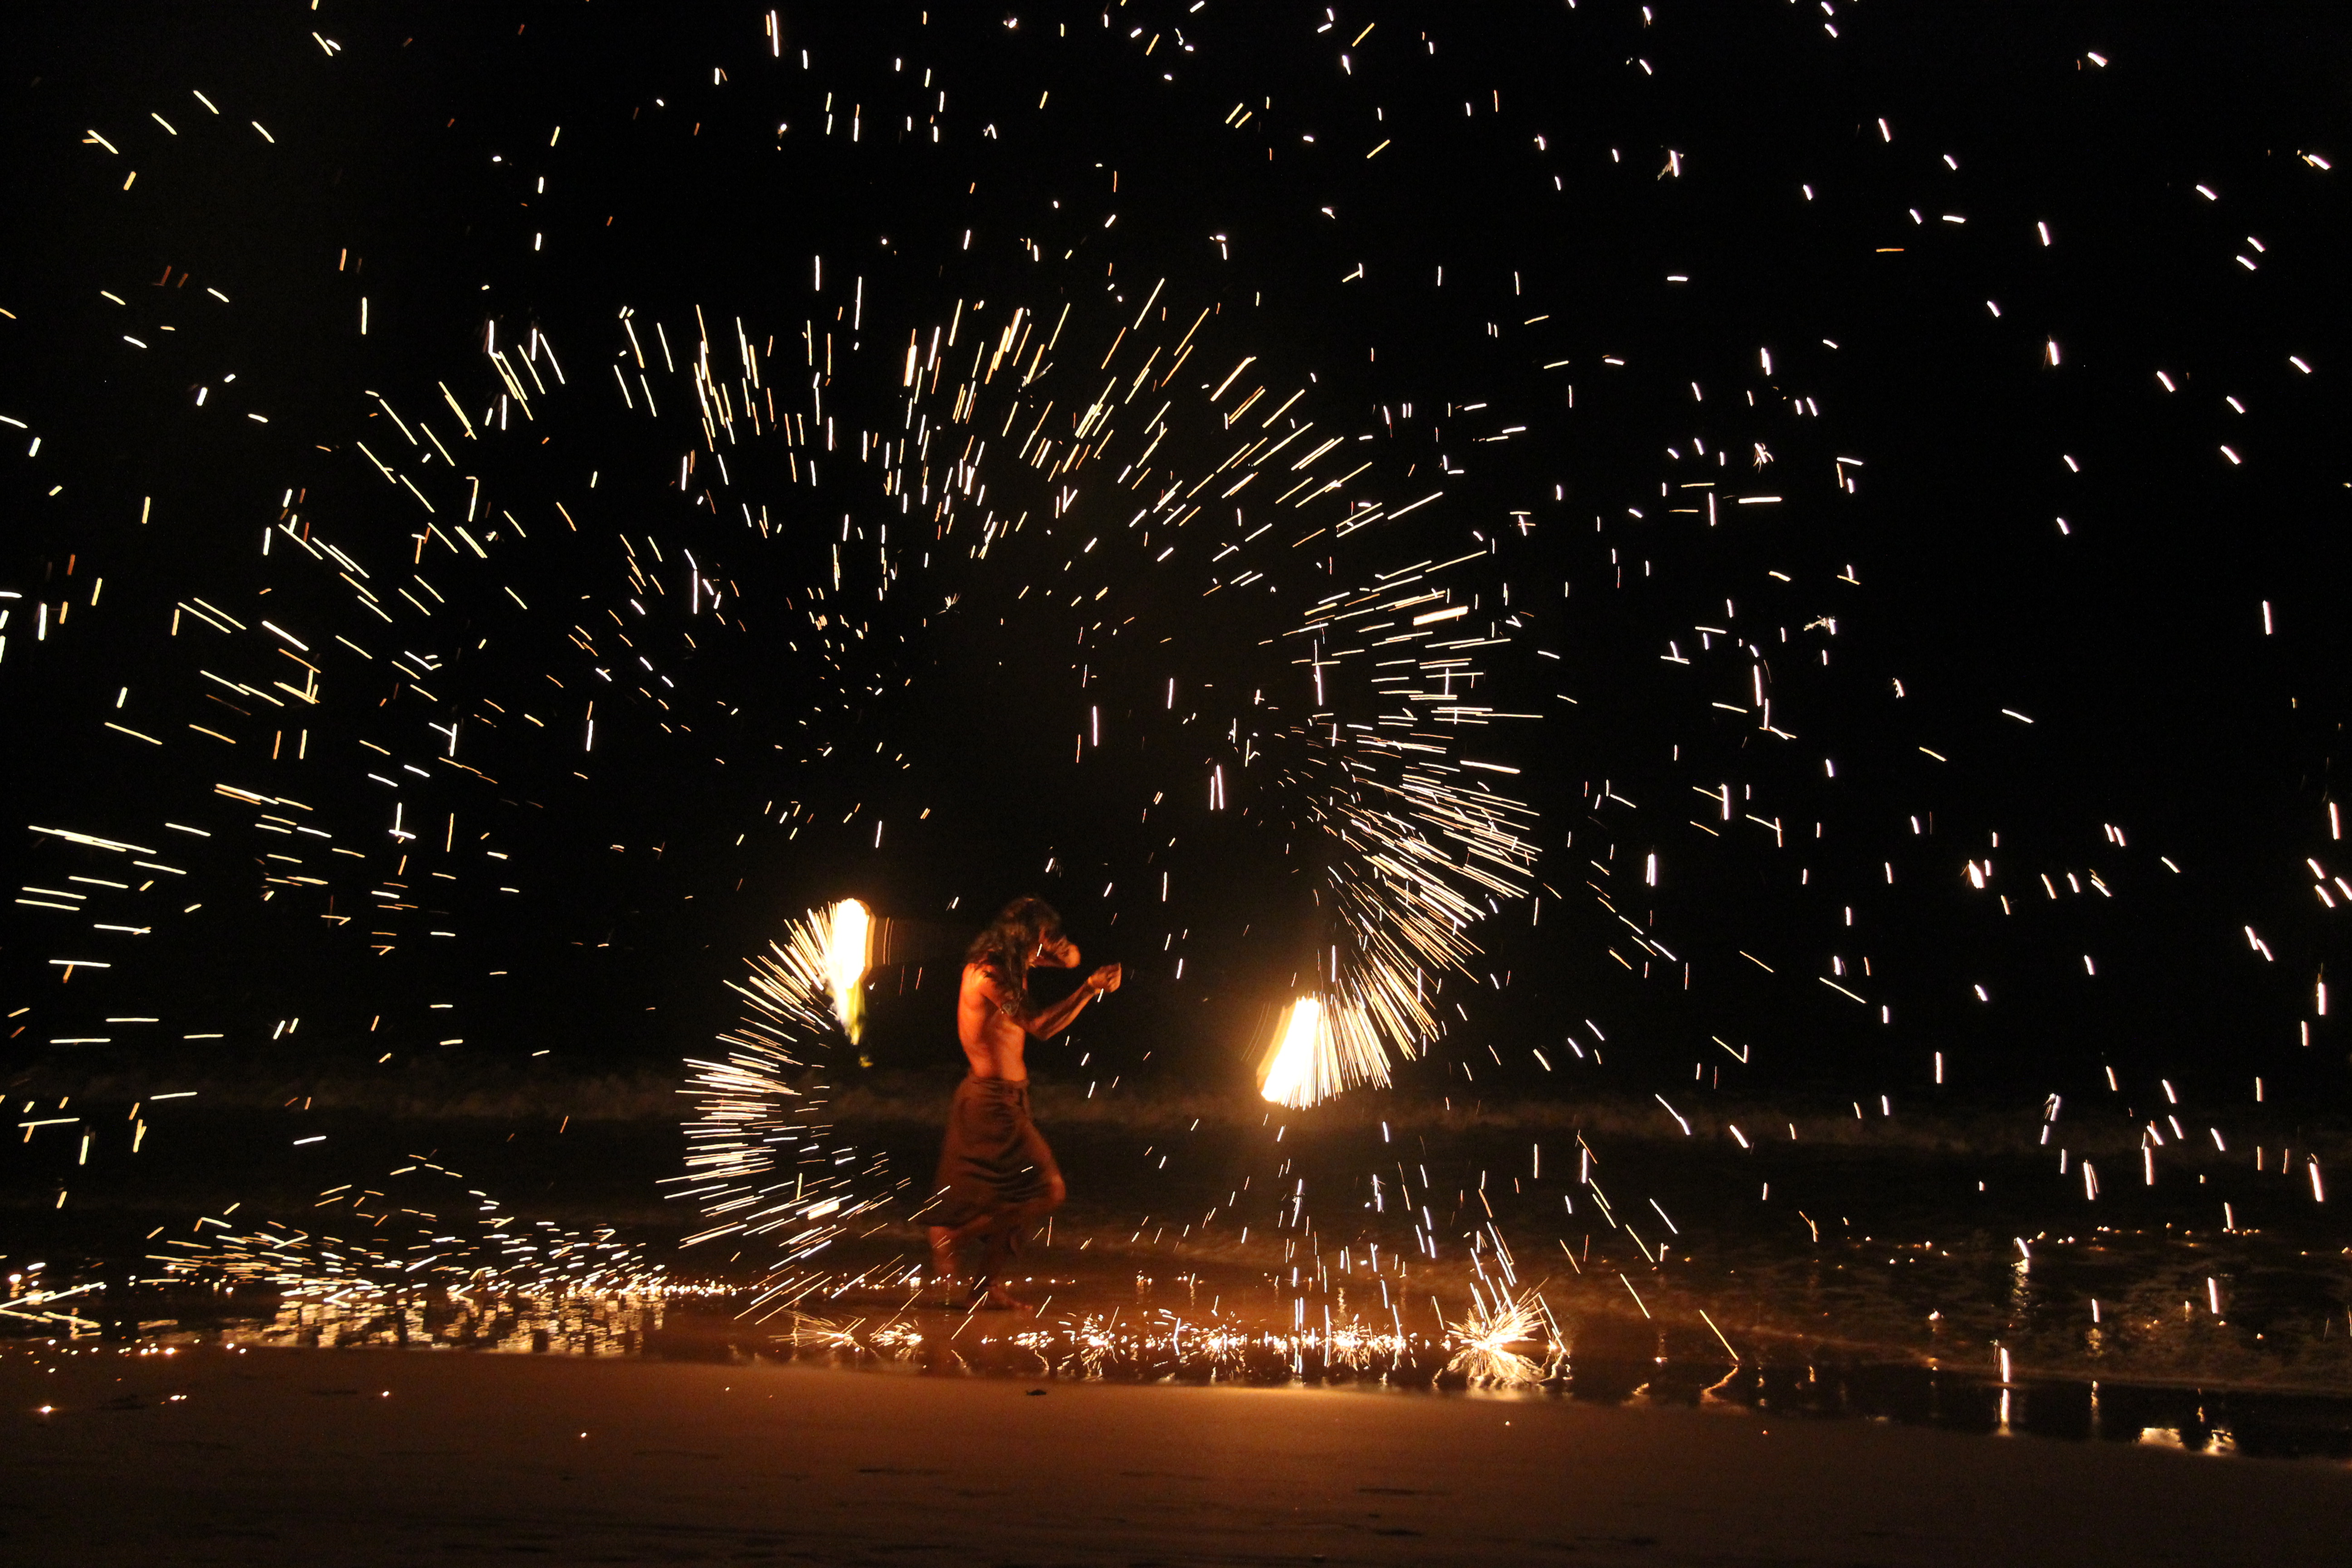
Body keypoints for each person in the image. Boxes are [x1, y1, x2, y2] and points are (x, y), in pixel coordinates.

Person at [927, 896, 1121, 1308]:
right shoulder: (989, 975)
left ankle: (983, 1289)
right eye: (1038, 941)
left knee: (1014, 1197)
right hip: (990, 1102)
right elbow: (1039, 1026)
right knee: (1049, 1191)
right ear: (1021, 938)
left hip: (1012, 1097)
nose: (1041, 951)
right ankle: (954, 1235)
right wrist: (1089, 989)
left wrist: (1060, 946)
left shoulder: (1014, 962)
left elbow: (1071, 959)